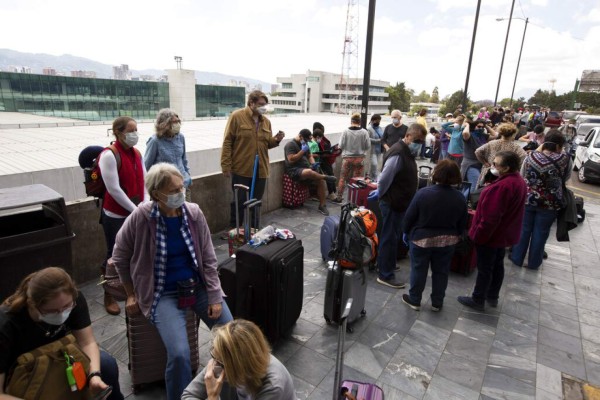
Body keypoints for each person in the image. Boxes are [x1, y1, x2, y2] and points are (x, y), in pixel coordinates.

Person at [111, 163, 233, 400]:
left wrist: (215, 296)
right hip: (161, 293)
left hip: (196, 287)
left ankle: (228, 389)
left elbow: (208, 258)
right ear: (157, 194)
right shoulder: (141, 217)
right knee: (179, 354)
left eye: (182, 186)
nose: (181, 193)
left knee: (231, 337)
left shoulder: (193, 213)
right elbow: (119, 256)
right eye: (175, 189)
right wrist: (131, 293)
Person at [0, 267, 123, 400]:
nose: (61, 314)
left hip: (62, 359)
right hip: (24, 377)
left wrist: (94, 375)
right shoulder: (6, 324)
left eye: (66, 307)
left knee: (106, 365)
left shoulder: (74, 300)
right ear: (32, 304)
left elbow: (87, 342)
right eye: (52, 311)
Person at [458, 151, 527, 311]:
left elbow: (490, 218)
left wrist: (478, 235)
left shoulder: (503, 186)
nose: (493, 166)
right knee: (496, 265)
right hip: (502, 235)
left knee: (485, 268)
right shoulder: (517, 181)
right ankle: (492, 295)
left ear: (507, 167)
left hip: (491, 236)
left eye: (496, 164)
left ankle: (478, 298)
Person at [402, 160, 468, 311]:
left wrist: (406, 232)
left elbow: (409, 218)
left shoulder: (423, 193)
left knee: (419, 269)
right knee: (441, 272)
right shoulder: (460, 198)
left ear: (436, 173)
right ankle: (437, 303)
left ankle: (415, 299)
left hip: (421, 239)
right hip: (448, 240)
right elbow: (462, 223)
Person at [99, 116, 148, 315]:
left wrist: (144, 203)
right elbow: (114, 190)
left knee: (134, 252)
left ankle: (130, 290)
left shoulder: (136, 153)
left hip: (134, 211)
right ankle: (108, 293)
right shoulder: (109, 155)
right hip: (116, 214)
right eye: (131, 130)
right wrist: (136, 210)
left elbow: (144, 180)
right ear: (119, 132)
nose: (135, 134)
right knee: (113, 255)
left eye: (136, 129)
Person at [181, 319, 295, 400]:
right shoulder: (222, 361)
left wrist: (213, 397)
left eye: (220, 361)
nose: (213, 363)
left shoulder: (273, 385)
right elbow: (188, 395)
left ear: (239, 365)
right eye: (214, 356)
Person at [220, 90, 285, 230]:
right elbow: (227, 142)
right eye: (261, 104)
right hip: (241, 169)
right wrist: (226, 165)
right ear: (251, 103)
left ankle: (254, 229)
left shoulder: (266, 122)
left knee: (256, 202)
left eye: (265, 104)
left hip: (261, 170)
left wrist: (276, 140)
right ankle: (235, 230)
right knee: (239, 201)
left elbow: (267, 144)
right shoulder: (237, 116)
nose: (264, 107)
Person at [509, 131, 572, 270]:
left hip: (528, 199)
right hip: (551, 202)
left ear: (544, 142)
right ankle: (534, 263)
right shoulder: (566, 158)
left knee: (524, 229)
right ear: (559, 145)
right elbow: (566, 177)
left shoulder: (531, 156)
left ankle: (517, 258)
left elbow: (522, 175)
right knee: (541, 232)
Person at [375, 123, 427, 289]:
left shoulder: (406, 151)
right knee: (389, 237)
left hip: (399, 202)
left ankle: (387, 263)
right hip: (392, 202)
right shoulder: (398, 152)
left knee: (393, 235)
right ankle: (385, 273)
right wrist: (382, 194)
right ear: (409, 136)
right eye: (418, 140)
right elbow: (384, 179)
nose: (420, 144)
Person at [284, 129, 336, 216]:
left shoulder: (305, 144)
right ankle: (325, 177)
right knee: (310, 172)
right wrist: (302, 151)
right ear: (300, 136)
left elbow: (310, 156)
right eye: (306, 140)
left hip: (306, 169)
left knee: (320, 180)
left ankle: (322, 205)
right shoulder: (290, 145)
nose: (307, 142)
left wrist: (313, 163)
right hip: (294, 170)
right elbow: (291, 160)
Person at [145, 108, 193, 201]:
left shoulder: (181, 137)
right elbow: (146, 166)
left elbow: (184, 160)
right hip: (165, 188)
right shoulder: (155, 141)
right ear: (165, 124)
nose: (177, 125)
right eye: (174, 122)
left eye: (178, 122)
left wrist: (188, 176)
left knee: (185, 212)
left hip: (182, 184)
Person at [475, 122, 527, 188]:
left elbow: (477, 151)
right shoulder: (515, 147)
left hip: (489, 172)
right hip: (505, 175)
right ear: (513, 134)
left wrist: (485, 162)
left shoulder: (492, 143)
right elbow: (524, 157)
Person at [333, 113, 371, 203]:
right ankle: (354, 199)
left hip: (347, 159)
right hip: (359, 159)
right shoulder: (364, 132)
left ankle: (339, 197)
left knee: (342, 178)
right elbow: (368, 146)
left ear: (351, 121)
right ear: (359, 122)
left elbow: (340, 145)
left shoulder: (345, 131)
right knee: (356, 179)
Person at [461, 119, 494, 191]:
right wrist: (468, 125)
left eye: (483, 127)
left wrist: (486, 126)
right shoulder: (470, 135)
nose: (481, 128)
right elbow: (465, 133)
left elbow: (495, 135)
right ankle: (464, 201)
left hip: (480, 165)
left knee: (469, 186)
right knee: (474, 186)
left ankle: (462, 200)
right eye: (479, 126)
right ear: (474, 126)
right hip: (470, 164)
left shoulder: (483, 136)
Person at [312, 122, 339, 200]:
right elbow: (311, 153)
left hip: (325, 160)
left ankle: (332, 192)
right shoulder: (313, 140)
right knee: (325, 176)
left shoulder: (322, 139)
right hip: (318, 162)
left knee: (329, 174)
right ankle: (329, 193)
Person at [367, 114, 383, 180]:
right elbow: (368, 139)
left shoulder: (380, 128)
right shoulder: (369, 128)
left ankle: (372, 179)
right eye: (376, 120)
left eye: (379, 120)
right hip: (372, 150)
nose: (378, 122)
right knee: (374, 165)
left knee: (376, 167)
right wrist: (378, 141)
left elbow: (383, 136)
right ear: (372, 120)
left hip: (379, 150)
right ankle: (374, 180)